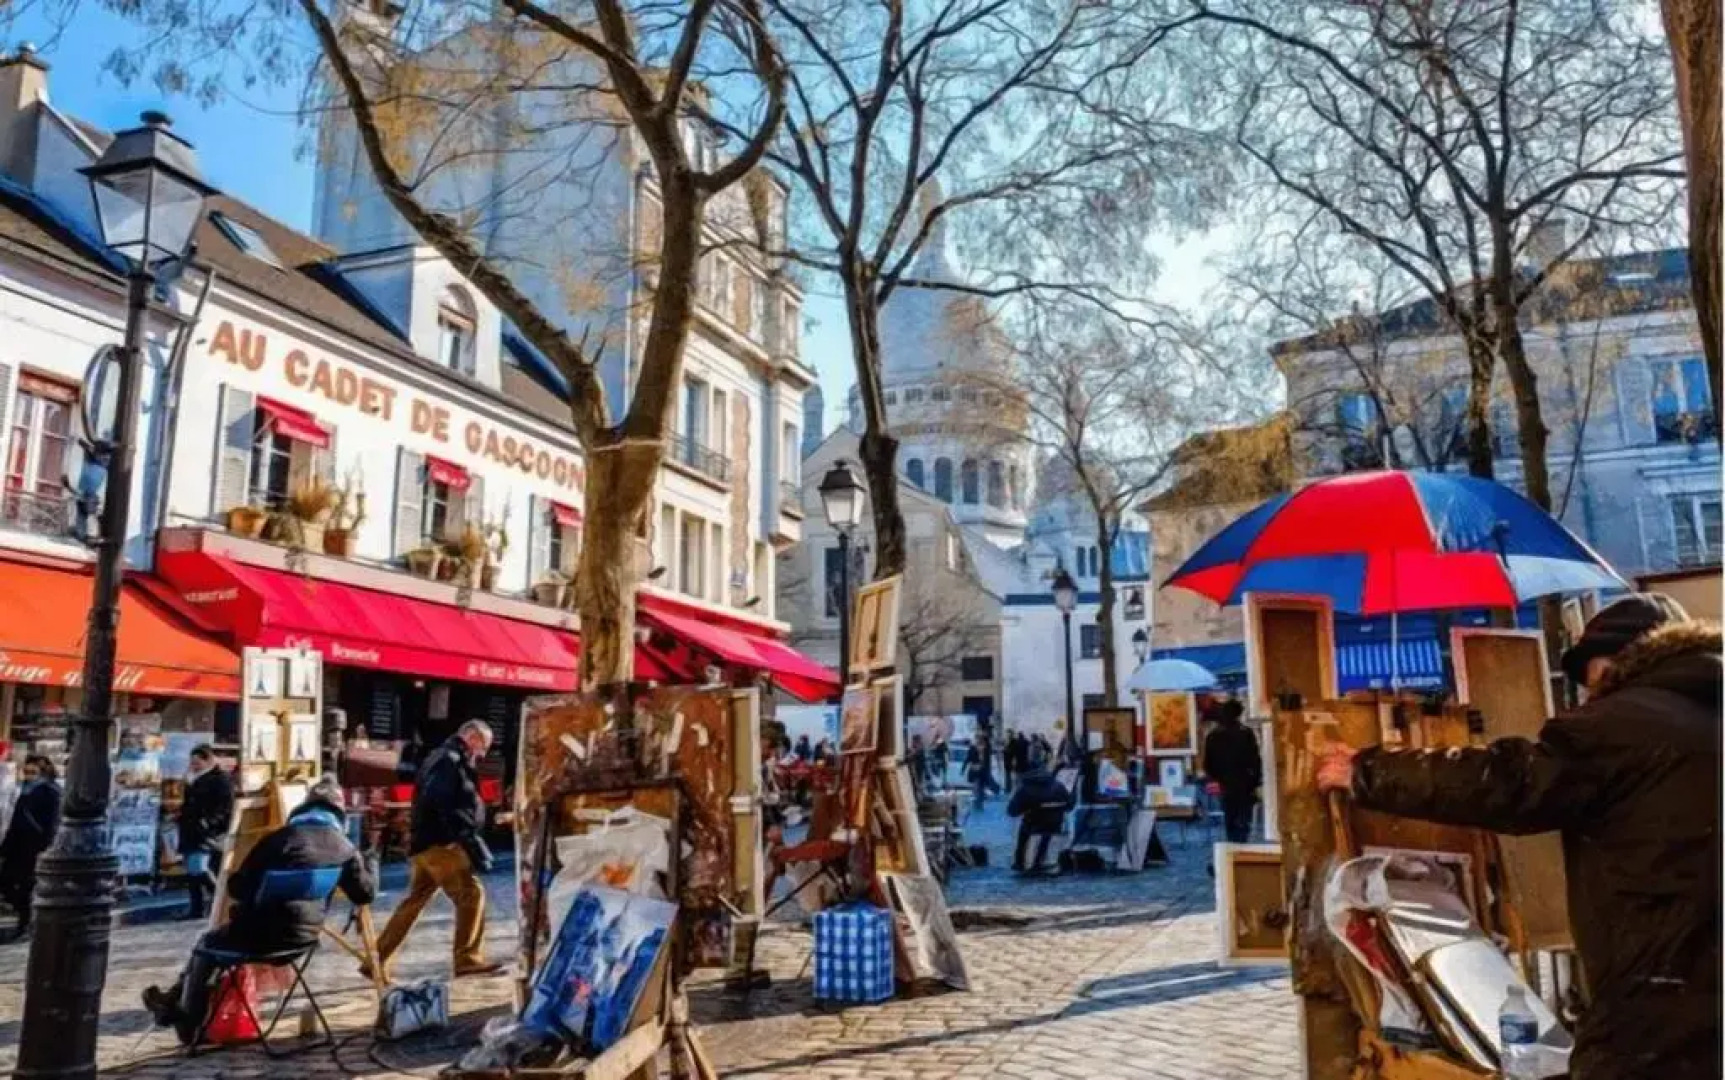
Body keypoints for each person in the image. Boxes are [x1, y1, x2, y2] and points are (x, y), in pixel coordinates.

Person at [1316, 594, 1720, 1080]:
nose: (1590, 695)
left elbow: (1509, 782)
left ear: (1619, 661)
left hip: (1662, 988)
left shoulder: (1625, 722)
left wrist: (1368, 771)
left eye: (1592, 679)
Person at [142, 776, 373, 1044]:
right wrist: (371, 859)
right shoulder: (344, 847)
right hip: (304, 940)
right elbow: (364, 894)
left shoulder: (279, 840)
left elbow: (238, 888)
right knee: (220, 941)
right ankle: (173, 1001)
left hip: (258, 937)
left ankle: (187, 1024)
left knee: (208, 944)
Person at [372, 719, 503, 979]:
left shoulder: (444, 758)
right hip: (439, 844)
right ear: (472, 738)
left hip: (427, 843)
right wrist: (457, 836)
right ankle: (467, 958)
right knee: (471, 893)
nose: (484, 753)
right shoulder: (449, 760)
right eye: (484, 745)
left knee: (414, 901)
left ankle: (375, 960)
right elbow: (442, 801)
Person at [0, 757, 60, 941]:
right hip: (18, 848)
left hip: (35, 848)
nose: (28, 777)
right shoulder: (25, 792)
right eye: (26, 772)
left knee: (27, 886)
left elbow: (52, 823)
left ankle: (27, 924)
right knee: (7, 883)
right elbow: (16, 822)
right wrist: (5, 848)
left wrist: (46, 847)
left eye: (33, 773)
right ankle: (26, 921)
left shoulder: (50, 792)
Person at [178, 745, 235, 920]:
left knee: (199, 868)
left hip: (207, 832)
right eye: (192, 762)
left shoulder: (220, 779)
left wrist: (209, 822)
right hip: (190, 830)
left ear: (208, 760)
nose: (194, 766)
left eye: (197, 762)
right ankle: (197, 908)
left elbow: (225, 807)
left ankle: (221, 901)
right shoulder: (192, 779)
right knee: (192, 871)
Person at [1201, 700, 1261, 844]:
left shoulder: (1213, 735)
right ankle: (1241, 841)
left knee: (1230, 816)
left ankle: (1233, 842)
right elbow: (1255, 759)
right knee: (1243, 817)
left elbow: (1208, 763)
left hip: (1226, 782)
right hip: (1244, 782)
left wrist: (1216, 777)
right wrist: (1255, 779)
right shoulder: (1246, 733)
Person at [1008, 761, 1073, 873]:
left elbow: (1012, 811)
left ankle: (1020, 861)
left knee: (1024, 829)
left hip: (1033, 824)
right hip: (1055, 824)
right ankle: (1039, 859)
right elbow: (1070, 805)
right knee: (1047, 829)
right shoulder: (1058, 785)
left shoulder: (1025, 788)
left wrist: (1026, 809)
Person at [967, 736, 998, 808]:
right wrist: (975, 766)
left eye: (982, 746)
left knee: (980, 789)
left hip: (982, 774)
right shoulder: (974, 751)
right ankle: (978, 802)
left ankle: (979, 802)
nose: (981, 748)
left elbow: (986, 764)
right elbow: (970, 762)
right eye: (980, 746)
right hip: (976, 774)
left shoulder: (985, 753)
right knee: (977, 788)